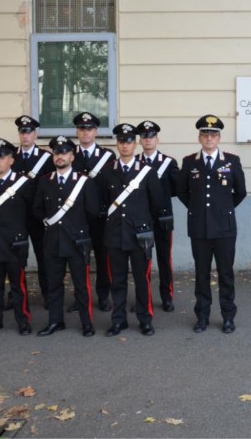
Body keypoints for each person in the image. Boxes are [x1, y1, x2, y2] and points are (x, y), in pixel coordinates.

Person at [176, 115, 247, 334]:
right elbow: (181, 191)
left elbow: (241, 192)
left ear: (219, 138)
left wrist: (223, 210)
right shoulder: (190, 162)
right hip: (199, 229)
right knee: (202, 274)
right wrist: (198, 210)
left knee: (225, 274)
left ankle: (228, 316)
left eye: (213, 134)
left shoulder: (231, 161)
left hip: (224, 228)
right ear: (199, 137)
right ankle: (203, 316)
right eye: (205, 134)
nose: (209, 138)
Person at [97, 123, 165, 337]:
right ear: (117, 144)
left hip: (139, 235)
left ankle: (145, 319)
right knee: (117, 280)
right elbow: (101, 203)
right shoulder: (107, 172)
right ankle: (119, 320)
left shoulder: (147, 173)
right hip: (115, 235)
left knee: (141, 280)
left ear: (135, 144)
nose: (125, 145)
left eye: (128, 141)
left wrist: (145, 226)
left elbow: (157, 204)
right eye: (121, 141)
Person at [34, 136, 101, 337]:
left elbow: (93, 211)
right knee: (54, 285)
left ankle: (87, 322)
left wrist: (76, 227)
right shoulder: (45, 182)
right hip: (53, 241)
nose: (60, 156)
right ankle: (55, 321)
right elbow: (37, 209)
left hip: (77, 241)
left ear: (72, 156)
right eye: (56, 153)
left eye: (64, 153)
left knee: (81, 284)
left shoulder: (84, 182)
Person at [0, 138, 36, 336]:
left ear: (11, 160)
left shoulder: (24, 183)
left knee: (18, 287)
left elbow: (31, 212)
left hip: (14, 243)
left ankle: (23, 320)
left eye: (1, 157)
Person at [70, 111, 115, 312]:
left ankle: (103, 295)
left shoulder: (107, 156)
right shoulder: (69, 155)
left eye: (89, 129)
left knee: (103, 258)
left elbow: (112, 186)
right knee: (78, 259)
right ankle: (80, 296)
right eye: (81, 129)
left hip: (101, 217)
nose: (85, 132)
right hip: (76, 217)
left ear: (96, 131)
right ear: (77, 132)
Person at [137, 120, 180, 312]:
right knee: (141, 261)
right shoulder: (134, 162)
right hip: (140, 218)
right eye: (144, 136)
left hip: (162, 218)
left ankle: (166, 296)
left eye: (151, 136)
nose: (148, 140)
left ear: (157, 139)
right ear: (140, 140)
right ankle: (143, 297)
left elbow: (176, 188)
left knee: (164, 259)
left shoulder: (169, 163)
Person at [12, 115, 54, 308]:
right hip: (15, 217)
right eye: (22, 131)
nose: (25, 135)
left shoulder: (45, 158)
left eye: (29, 131)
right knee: (14, 259)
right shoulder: (10, 155)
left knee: (43, 257)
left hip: (37, 216)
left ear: (35, 134)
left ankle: (48, 294)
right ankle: (17, 296)